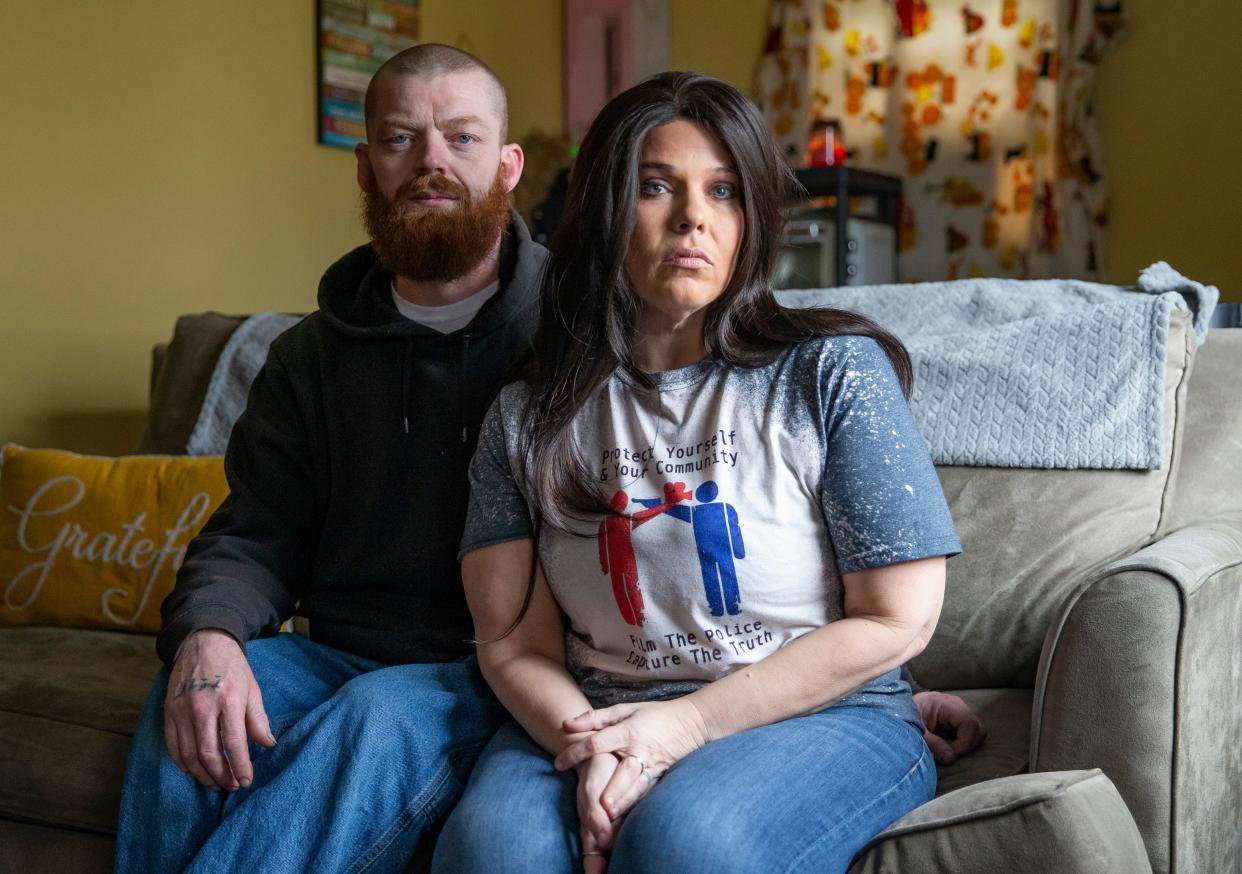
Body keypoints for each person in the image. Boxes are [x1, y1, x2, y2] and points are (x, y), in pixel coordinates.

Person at [433, 72, 965, 873]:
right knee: (494, 850)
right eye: (656, 187)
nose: (693, 218)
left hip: (819, 715)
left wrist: (679, 729)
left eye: (723, 191)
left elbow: (899, 620)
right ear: (608, 209)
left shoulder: (829, 374)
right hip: (595, 710)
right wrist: (598, 751)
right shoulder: (526, 418)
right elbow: (513, 642)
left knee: (685, 841)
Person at [115, 44, 544, 873]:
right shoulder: (308, 357)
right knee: (188, 710)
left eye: (462, 138)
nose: (432, 162)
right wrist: (208, 637)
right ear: (364, 166)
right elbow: (258, 530)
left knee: (373, 722)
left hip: (498, 666)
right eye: (399, 140)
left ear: (508, 164)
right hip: (339, 650)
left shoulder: (571, 335)